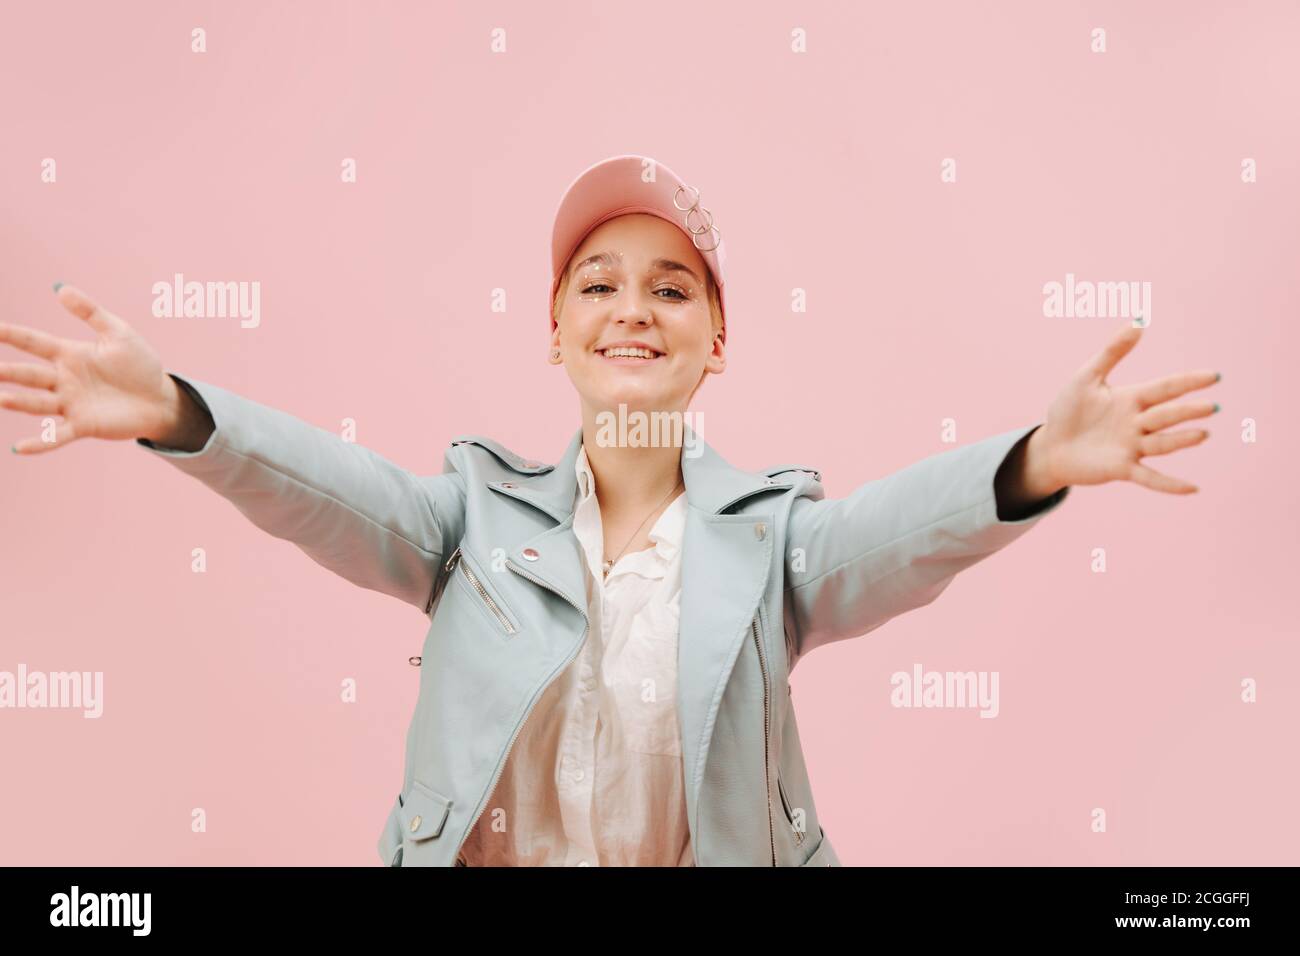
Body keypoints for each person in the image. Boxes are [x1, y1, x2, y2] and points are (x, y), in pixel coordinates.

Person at [0, 155, 1220, 866]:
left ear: (716, 338)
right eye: (598, 282)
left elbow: (898, 534)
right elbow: (320, 485)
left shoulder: (774, 542)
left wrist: (1034, 462)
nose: (633, 307)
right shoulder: (466, 518)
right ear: (556, 330)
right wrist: (179, 408)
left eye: (671, 287)